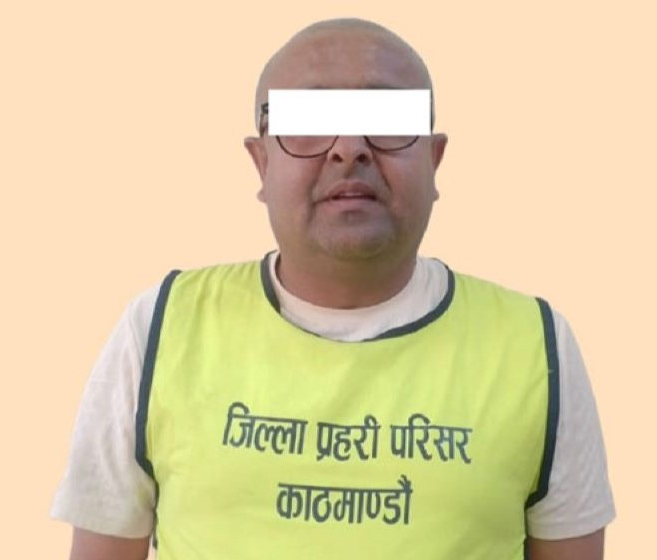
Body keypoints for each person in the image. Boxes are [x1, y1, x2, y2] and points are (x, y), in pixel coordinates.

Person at [50, 18, 615, 560]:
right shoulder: (161, 326)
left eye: (387, 119)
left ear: (434, 158)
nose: (349, 146)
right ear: (261, 161)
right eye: (311, 119)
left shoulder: (536, 345)